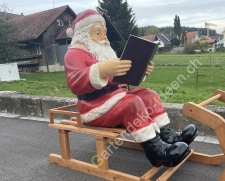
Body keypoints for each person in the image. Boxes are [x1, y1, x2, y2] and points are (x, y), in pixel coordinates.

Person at [64, 10, 198, 167]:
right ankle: (157, 152)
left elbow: (120, 80)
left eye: (104, 33)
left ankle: (168, 136)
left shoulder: (104, 53)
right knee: (132, 102)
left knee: (148, 94)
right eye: (98, 33)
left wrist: (140, 71)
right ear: (83, 35)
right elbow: (75, 83)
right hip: (94, 107)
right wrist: (100, 71)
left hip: (115, 97)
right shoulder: (73, 54)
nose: (104, 38)